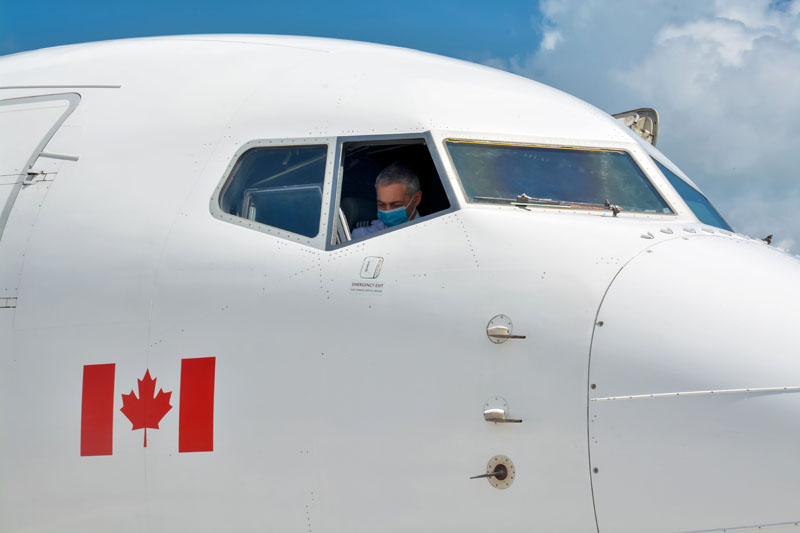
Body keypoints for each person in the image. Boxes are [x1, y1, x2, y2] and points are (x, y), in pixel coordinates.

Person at [352, 161, 422, 239]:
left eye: (396, 205)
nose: (387, 211)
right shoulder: (362, 236)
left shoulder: (433, 233)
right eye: (381, 204)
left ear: (416, 199)